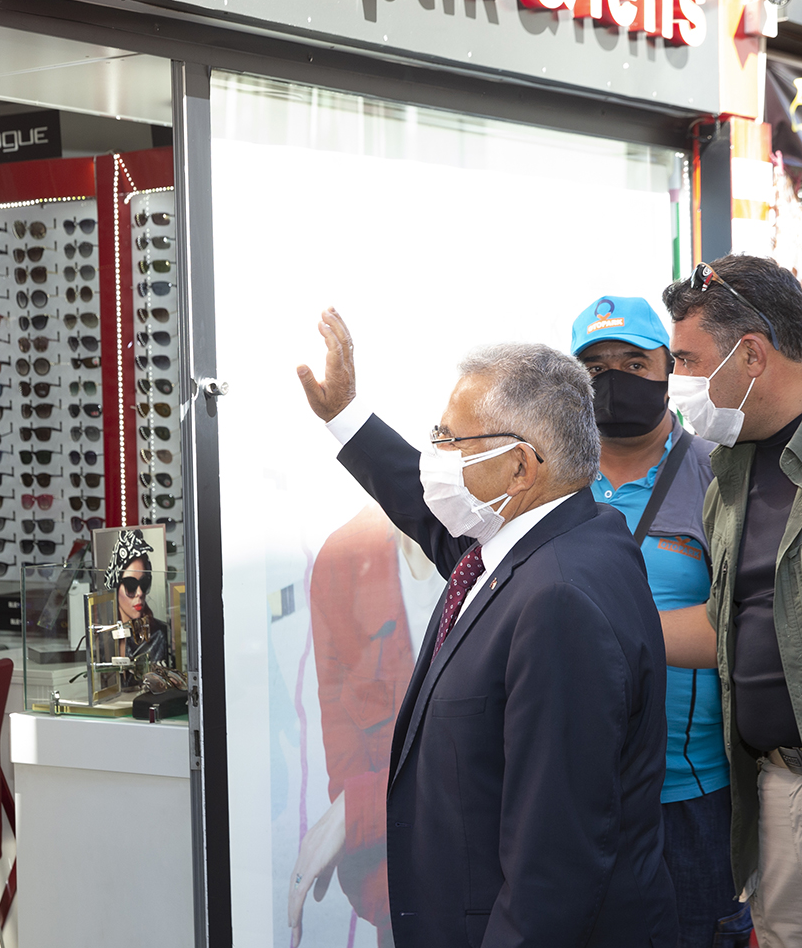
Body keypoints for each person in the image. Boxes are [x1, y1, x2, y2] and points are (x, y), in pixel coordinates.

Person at [293, 308, 676, 948]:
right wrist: (347, 418)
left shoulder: (558, 601)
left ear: (521, 468)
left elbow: (552, 870)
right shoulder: (556, 536)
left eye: (450, 441)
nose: (434, 459)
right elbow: (428, 517)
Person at [571, 295, 751, 948]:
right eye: (595, 367)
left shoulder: (718, 470)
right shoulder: (554, 479)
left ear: (667, 368)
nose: (613, 378)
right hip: (577, 796)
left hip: (690, 794)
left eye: (633, 362)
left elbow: (741, 624)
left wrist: (609, 632)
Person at [660, 255, 802, 948]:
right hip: (775, 782)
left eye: (687, 360)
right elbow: (729, 625)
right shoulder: (732, 475)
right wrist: (606, 627)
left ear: (750, 354)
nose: (676, 381)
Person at [292, 505, 439, 946]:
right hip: (403, 897)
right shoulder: (343, 561)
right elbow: (346, 755)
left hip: (508, 888)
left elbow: (504, 755)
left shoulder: (500, 541)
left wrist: (356, 812)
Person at [104, 527, 169, 666]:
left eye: (144, 583)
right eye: (131, 585)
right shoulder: (102, 637)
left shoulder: (159, 635)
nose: (140, 593)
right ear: (116, 587)